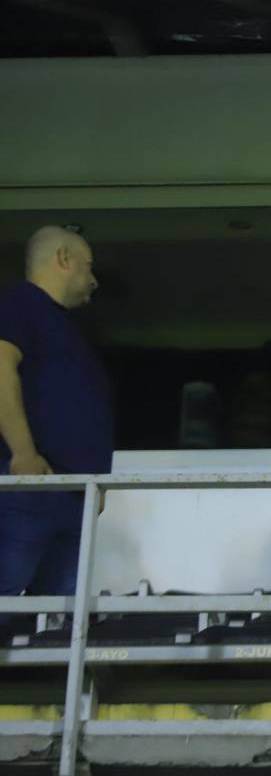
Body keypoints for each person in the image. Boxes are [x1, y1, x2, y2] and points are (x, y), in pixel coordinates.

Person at [0, 225, 113, 605]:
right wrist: (22, 454)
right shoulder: (20, 305)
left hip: (70, 495)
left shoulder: (64, 329)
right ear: (64, 259)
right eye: (88, 265)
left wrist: (93, 485)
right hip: (29, 490)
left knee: (54, 626)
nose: (94, 280)